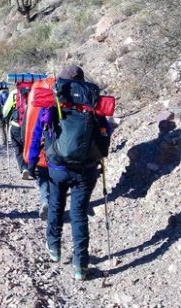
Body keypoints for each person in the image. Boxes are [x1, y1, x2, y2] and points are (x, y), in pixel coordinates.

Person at [41, 65, 111, 281]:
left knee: (56, 205)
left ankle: (54, 248)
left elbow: (42, 127)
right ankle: (80, 266)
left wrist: (34, 160)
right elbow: (104, 134)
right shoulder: (92, 103)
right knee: (79, 214)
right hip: (85, 170)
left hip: (58, 168)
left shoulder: (56, 99)